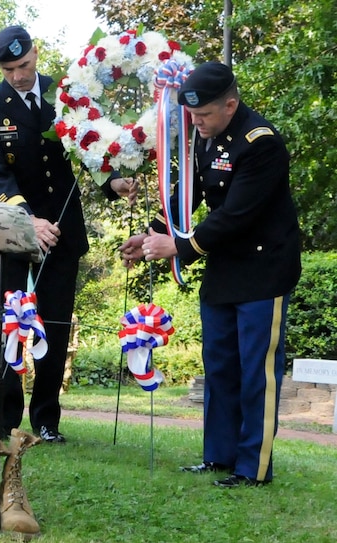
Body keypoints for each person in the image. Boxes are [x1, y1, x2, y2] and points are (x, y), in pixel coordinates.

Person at [119, 62, 301, 486]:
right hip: (223, 270)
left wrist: (180, 247)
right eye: (192, 115)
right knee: (219, 366)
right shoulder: (207, 137)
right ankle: (218, 456)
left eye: (203, 115)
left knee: (258, 372)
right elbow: (191, 196)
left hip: (262, 271)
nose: (195, 122)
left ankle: (252, 468)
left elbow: (237, 215)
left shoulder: (262, 143)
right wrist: (152, 236)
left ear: (231, 105)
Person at [0, 25, 138, 443]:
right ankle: (4, 418)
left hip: (63, 228)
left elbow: (89, 148)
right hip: (13, 228)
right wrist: (27, 220)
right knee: (9, 321)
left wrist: (112, 181)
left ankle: (46, 420)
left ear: (36, 54)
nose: (18, 76)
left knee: (56, 322)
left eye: (23, 65)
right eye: (8, 70)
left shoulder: (65, 94)